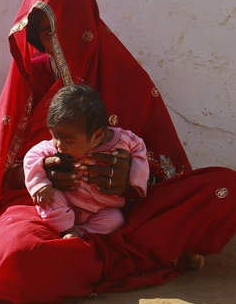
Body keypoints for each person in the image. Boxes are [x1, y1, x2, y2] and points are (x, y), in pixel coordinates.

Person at [0, 0, 236, 304]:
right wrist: (44, 175)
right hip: (47, 213)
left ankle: (83, 259)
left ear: (84, 26)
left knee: (230, 189)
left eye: (58, 31)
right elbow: (0, 177)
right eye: (43, 34)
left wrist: (129, 178)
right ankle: (141, 256)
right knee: (19, 260)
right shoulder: (31, 77)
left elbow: (163, 173)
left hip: (118, 213)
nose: (53, 43)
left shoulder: (126, 76)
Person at [24, 84, 150, 239]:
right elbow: (32, 155)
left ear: (97, 136)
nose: (58, 145)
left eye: (69, 141)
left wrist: (135, 181)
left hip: (101, 208)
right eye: (54, 137)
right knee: (50, 199)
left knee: (115, 220)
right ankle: (66, 230)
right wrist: (39, 184)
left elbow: (139, 149)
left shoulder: (124, 141)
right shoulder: (59, 141)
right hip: (67, 199)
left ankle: (80, 234)